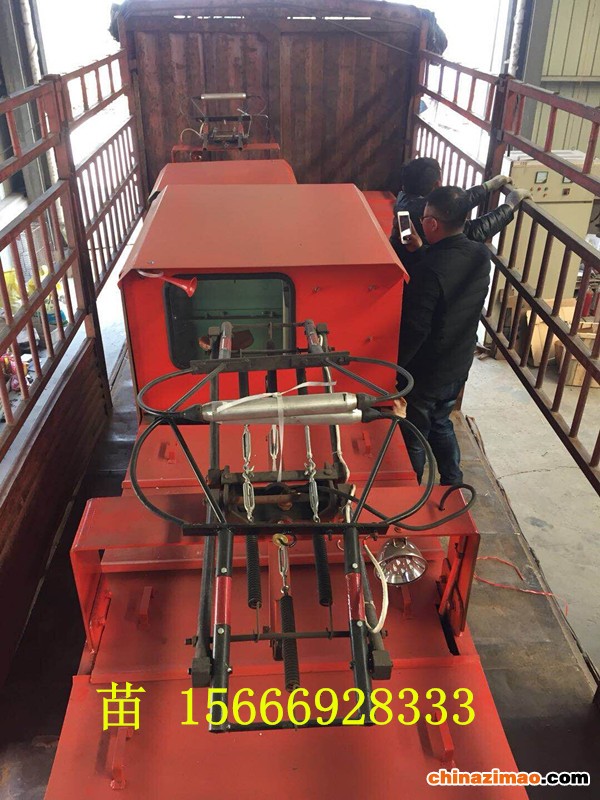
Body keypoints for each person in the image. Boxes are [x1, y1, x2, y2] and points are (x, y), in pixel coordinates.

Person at [397, 186, 493, 486]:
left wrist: (396, 370)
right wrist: (421, 251)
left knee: (415, 433)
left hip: (428, 371)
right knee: (441, 422)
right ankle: (453, 480)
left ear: (433, 224)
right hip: (459, 361)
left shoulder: (428, 271)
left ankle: (412, 491)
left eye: (424, 218)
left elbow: (416, 329)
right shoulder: (480, 254)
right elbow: (450, 275)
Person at [390, 157, 531, 268]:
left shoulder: (403, 201)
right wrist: (509, 206)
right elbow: (474, 231)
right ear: (437, 185)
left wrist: (486, 187)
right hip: (428, 274)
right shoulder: (431, 214)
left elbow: (457, 201)